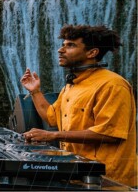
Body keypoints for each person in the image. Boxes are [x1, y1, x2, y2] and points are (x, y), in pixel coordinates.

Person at [20, 25, 137, 187]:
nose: (61, 50)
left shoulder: (113, 85)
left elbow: (110, 134)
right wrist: (35, 91)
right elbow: (50, 117)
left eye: (71, 45)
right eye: (63, 44)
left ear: (92, 53)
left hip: (108, 180)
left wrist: (53, 136)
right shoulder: (71, 85)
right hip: (76, 176)